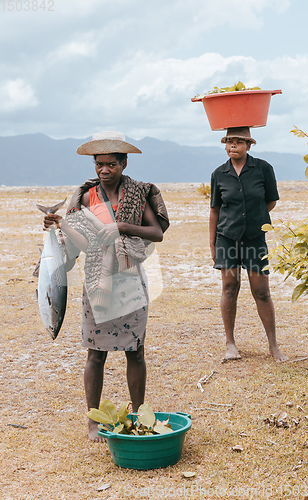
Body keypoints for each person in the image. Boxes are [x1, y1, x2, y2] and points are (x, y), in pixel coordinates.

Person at [43, 131, 169, 441]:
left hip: (129, 281)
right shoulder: (87, 197)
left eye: (111, 164)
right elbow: (81, 240)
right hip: (97, 279)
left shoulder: (138, 195)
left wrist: (122, 227)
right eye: (99, 164)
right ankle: (93, 422)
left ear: (124, 164)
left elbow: (156, 232)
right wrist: (57, 224)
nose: (103, 170)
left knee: (135, 352)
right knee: (95, 354)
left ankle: (140, 415)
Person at [209, 127, 288, 363]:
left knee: (261, 291)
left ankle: (273, 346)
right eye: (229, 142)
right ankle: (230, 344)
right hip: (227, 238)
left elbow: (270, 201)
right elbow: (215, 210)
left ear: (249, 146)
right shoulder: (219, 174)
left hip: (255, 238)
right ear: (225, 145)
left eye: (239, 142)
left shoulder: (263, 168)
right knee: (230, 287)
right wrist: (212, 243)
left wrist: (253, 216)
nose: (233, 146)